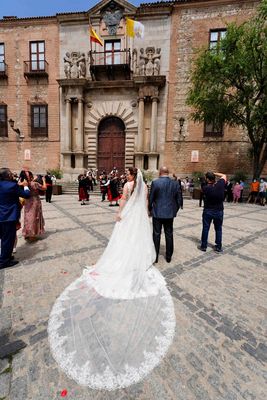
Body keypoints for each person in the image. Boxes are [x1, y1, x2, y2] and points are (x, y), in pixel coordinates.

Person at [48, 168, 176, 390]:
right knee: (143, 239)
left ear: (129, 176)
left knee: (122, 244)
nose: (126, 176)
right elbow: (146, 203)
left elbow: (123, 202)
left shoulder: (128, 186)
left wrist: (119, 214)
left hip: (129, 218)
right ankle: (149, 256)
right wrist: (144, 213)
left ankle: (127, 259)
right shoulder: (145, 186)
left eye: (127, 174)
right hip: (142, 219)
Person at [149, 166, 182, 263]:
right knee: (169, 234)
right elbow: (179, 200)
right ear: (168, 172)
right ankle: (168, 257)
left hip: (157, 213)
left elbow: (151, 198)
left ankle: (155, 257)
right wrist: (174, 211)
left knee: (156, 234)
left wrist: (150, 210)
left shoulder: (155, 182)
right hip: (169, 214)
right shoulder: (175, 183)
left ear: (160, 172)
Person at [0, 167, 30, 268]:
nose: (12, 175)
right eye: (11, 173)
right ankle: (4, 261)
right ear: (8, 176)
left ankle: (6, 256)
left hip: (1, 215)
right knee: (8, 239)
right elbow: (26, 195)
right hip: (8, 216)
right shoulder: (12, 186)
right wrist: (25, 186)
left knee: (4, 238)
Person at [198, 171, 226, 253]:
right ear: (214, 178)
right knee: (218, 229)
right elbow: (224, 175)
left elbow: (203, 186)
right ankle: (218, 246)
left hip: (208, 210)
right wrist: (215, 173)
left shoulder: (205, 188)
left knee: (206, 228)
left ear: (207, 179)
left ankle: (203, 246)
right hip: (219, 210)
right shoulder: (220, 184)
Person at [22, 172, 47, 241]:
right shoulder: (35, 184)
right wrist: (44, 180)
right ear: (31, 176)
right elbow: (44, 188)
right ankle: (32, 235)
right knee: (34, 217)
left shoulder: (23, 184)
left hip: (27, 201)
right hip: (34, 201)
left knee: (27, 217)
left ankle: (27, 233)